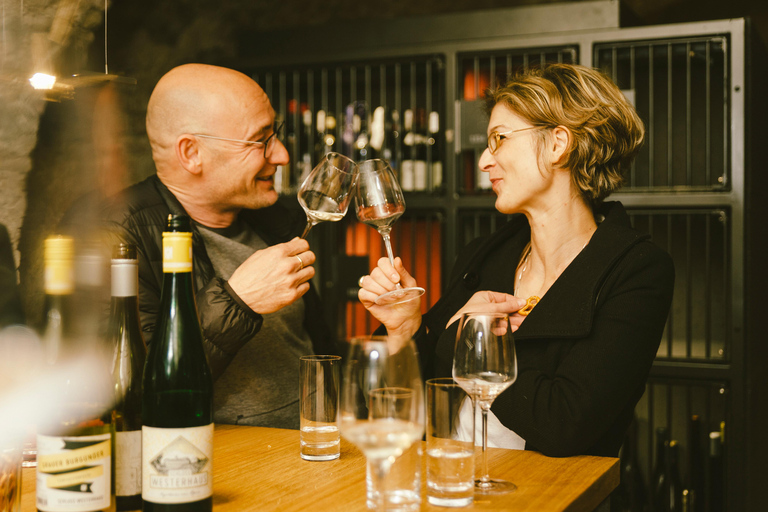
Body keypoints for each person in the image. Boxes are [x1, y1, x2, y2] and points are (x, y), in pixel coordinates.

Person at [358, 63, 674, 458]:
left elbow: (565, 424)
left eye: (499, 139)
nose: (483, 161)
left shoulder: (636, 270)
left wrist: (469, 342)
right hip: (447, 485)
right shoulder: (486, 253)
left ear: (559, 144)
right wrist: (405, 330)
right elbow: (399, 405)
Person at [92, 64, 336, 429]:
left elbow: (315, 346)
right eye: (261, 140)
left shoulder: (275, 218)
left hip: (320, 449)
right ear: (191, 153)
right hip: (220, 468)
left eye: (277, 134)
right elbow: (130, 397)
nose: (282, 155)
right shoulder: (119, 239)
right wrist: (238, 302)